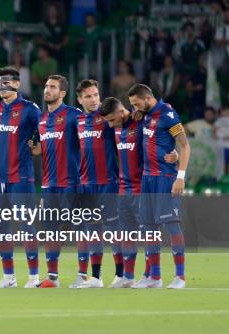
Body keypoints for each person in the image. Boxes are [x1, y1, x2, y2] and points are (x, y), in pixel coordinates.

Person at [99, 97, 179, 288]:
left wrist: (174, 152)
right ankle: (128, 276)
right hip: (123, 189)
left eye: (112, 120)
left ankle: (151, 275)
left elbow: (163, 128)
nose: (110, 124)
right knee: (127, 234)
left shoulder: (142, 120)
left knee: (147, 234)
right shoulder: (115, 128)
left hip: (142, 188)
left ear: (121, 112)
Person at [0, 67, 41, 288]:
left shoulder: (29, 109)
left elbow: (44, 135)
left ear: (17, 83)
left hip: (21, 177)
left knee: (26, 225)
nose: (2, 86)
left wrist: (38, 148)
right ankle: (9, 277)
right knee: (1, 227)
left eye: (6, 82)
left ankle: (34, 277)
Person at [127, 84, 191, 289]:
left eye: (136, 103)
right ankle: (154, 276)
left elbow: (184, 144)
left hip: (165, 177)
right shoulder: (145, 114)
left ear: (147, 98)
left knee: (171, 224)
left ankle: (180, 277)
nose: (135, 108)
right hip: (147, 178)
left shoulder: (168, 113)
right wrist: (136, 113)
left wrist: (180, 176)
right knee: (148, 228)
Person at [34, 75, 82, 288]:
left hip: (71, 182)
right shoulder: (42, 119)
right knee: (51, 229)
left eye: (52, 87)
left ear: (62, 93)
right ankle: (52, 277)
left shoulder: (74, 115)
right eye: (46, 86)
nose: (47, 90)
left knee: (80, 228)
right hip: (48, 184)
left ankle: (83, 276)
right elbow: (44, 148)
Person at [72, 79, 121, 288]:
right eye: (88, 96)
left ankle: (121, 275)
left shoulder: (108, 117)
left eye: (95, 95)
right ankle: (96, 277)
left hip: (108, 182)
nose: (93, 100)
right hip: (87, 184)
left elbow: (129, 122)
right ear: (80, 99)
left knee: (112, 230)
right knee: (93, 230)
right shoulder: (79, 121)